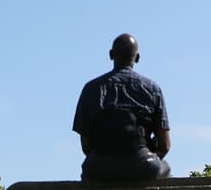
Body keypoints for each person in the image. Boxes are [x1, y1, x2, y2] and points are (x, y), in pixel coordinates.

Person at [72, 33, 172, 181]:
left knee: (89, 168)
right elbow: (165, 145)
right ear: (137, 58)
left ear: (111, 55)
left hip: (99, 168)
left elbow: (86, 146)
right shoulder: (153, 89)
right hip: (142, 166)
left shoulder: (91, 89)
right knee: (165, 168)